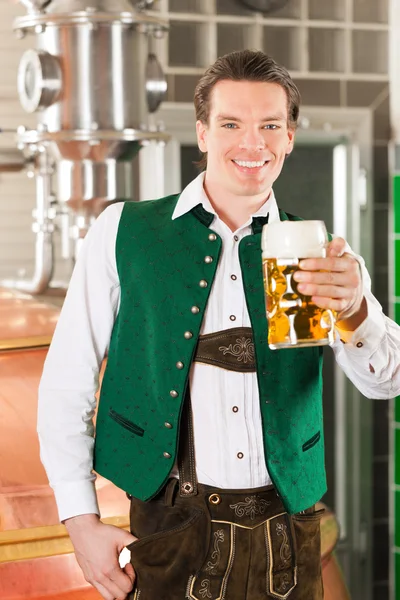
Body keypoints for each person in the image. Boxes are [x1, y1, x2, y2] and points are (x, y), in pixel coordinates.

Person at [38, 49, 400, 600]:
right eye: (231, 124)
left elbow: (388, 380)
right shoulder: (123, 231)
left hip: (291, 539)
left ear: (289, 138)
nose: (251, 144)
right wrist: (78, 519)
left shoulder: (322, 251)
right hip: (169, 535)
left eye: (269, 126)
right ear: (203, 133)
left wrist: (355, 312)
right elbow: (67, 383)